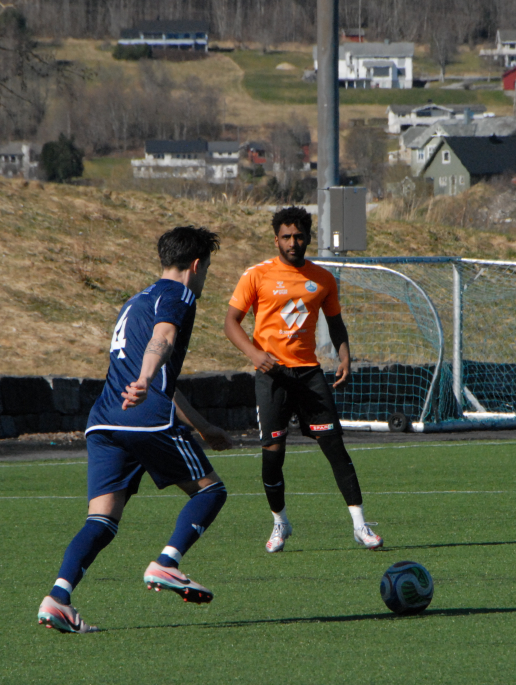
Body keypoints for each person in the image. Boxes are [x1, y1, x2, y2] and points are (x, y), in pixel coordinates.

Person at [38, 226, 234, 634]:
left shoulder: (136, 301)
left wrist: (203, 427)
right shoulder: (178, 294)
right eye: (207, 269)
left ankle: (57, 598)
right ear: (196, 265)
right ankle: (167, 563)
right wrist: (144, 379)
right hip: (144, 416)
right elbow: (164, 339)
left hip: (104, 421)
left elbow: (166, 381)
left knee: (101, 520)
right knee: (210, 491)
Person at [224, 206, 383, 554]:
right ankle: (280, 521)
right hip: (272, 377)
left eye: (298, 236)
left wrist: (345, 356)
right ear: (276, 239)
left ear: (308, 237)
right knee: (272, 455)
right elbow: (231, 322)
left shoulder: (323, 278)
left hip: (309, 374)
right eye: (286, 237)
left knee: (335, 448)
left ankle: (360, 525)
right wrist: (254, 355)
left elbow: (336, 322)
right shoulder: (256, 275)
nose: (293, 242)